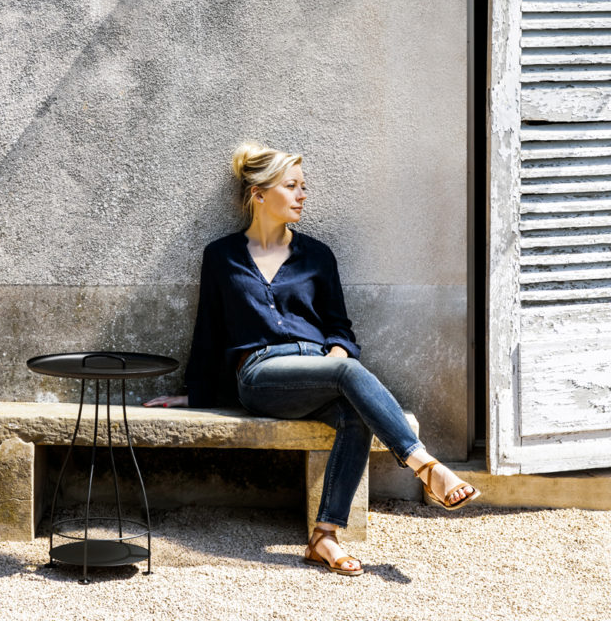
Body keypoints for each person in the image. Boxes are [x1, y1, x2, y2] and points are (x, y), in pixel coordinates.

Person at [144, 141, 480, 575]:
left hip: (321, 370)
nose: (303, 195)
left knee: (353, 414)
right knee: (345, 371)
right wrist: (194, 395)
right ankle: (427, 467)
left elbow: (340, 330)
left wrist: (337, 359)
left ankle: (324, 537)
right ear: (259, 194)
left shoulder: (318, 256)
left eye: (304, 186)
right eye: (292, 186)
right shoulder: (221, 256)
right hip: (261, 374)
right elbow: (208, 333)